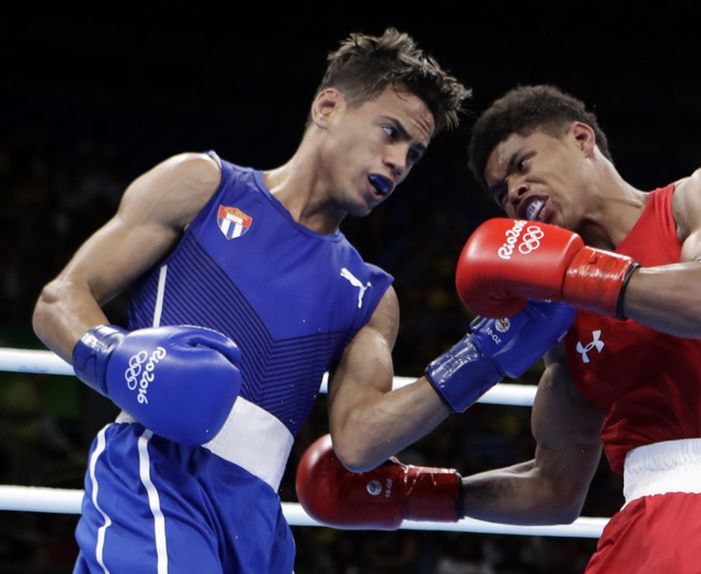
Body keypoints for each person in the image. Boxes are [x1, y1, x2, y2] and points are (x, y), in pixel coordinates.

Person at [31, 30, 576, 572]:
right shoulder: (201, 185)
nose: (397, 163)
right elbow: (60, 300)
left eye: (412, 154)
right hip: (156, 472)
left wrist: (481, 355)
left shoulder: (369, 294)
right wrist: (123, 362)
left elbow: (360, 442)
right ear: (328, 106)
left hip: (258, 523)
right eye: (389, 133)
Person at [297, 85, 701, 572]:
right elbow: (554, 489)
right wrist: (422, 493)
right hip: (652, 537)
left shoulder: (700, 197)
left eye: (521, 163)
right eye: (499, 189)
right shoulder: (561, 318)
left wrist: (575, 273)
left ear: (581, 139)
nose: (512, 190)